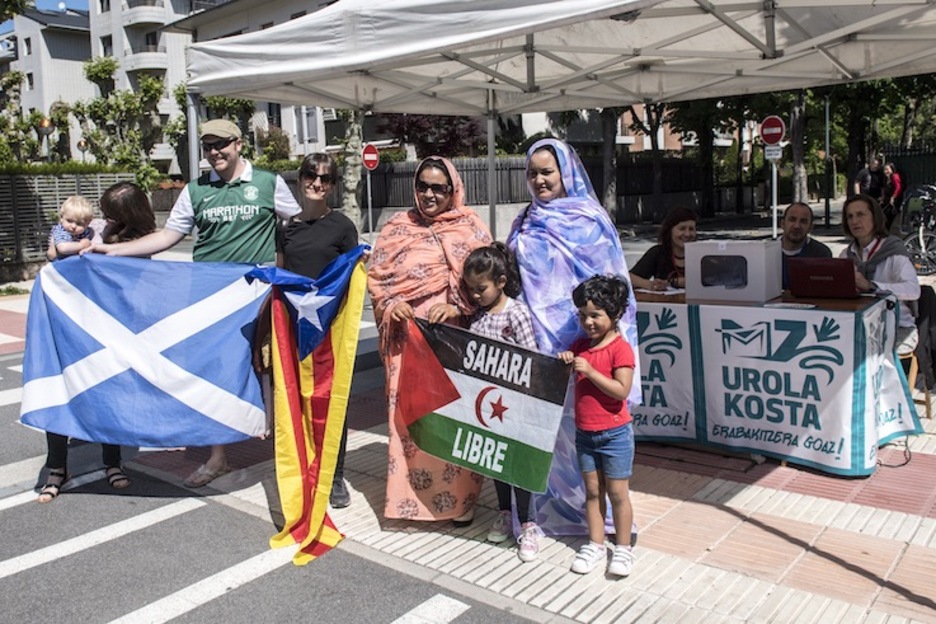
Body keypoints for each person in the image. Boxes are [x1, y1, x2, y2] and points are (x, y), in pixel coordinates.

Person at [87, 118, 301, 488]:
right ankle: (218, 457)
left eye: (222, 144)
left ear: (238, 144)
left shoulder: (268, 182)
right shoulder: (196, 189)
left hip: (259, 297)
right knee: (212, 375)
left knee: (272, 368)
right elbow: (168, 236)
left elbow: (297, 226)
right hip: (209, 300)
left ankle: (287, 449)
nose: (215, 152)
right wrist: (113, 250)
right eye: (208, 146)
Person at [506, 138, 641, 536]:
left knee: (588, 427)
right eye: (532, 173)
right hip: (537, 348)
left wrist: (608, 345)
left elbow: (613, 287)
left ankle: (600, 518)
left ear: (565, 172)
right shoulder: (525, 220)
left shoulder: (590, 220)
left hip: (585, 346)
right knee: (545, 435)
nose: (539, 180)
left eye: (547, 172)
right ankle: (544, 513)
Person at [367, 156, 492, 524]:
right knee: (410, 421)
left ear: (453, 190)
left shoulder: (471, 228)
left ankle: (460, 503)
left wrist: (457, 308)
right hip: (406, 344)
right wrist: (393, 305)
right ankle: (411, 500)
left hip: (454, 344)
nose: (429, 194)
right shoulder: (397, 228)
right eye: (423, 186)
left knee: (455, 420)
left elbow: (489, 284)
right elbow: (378, 281)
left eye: (439, 188)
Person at [37, 182, 157, 502]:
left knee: (108, 393)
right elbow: (56, 252)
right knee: (60, 389)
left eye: (111, 213)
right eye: (104, 212)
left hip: (113, 325)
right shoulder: (94, 229)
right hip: (72, 318)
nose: (104, 218)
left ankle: (112, 463)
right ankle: (57, 467)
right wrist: (56, 249)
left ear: (129, 216)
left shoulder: (144, 240)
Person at [266, 152, 359, 508]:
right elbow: (280, 278)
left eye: (325, 178)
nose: (317, 183)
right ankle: (304, 466)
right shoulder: (285, 228)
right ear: (300, 179)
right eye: (311, 175)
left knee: (333, 403)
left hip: (330, 332)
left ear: (333, 186)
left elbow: (353, 279)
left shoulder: (343, 227)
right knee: (297, 398)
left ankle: (334, 476)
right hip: (294, 331)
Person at [462, 242, 541, 560]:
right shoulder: (478, 317)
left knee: (519, 466)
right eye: (471, 289)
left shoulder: (516, 313)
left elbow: (532, 358)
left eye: (481, 289)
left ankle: (529, 524)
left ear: (501, 282)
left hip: (516, 408)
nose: (475, 295)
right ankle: (505, 513)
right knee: (496, 462)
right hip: (488, 409)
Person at [558, 275, 637, 577]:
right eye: (582, 315)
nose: (587, 322)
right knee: (592, 492)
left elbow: (621, 390)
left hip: (615, 435)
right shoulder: (580, 346)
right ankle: (595, 544)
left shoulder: (621, 349)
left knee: (617, 493)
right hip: (585, 434)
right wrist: (567, 360)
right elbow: (570, 372)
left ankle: (624, 549)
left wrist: (590, 371)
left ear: (615, 314)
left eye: (595, 315)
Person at [840, 194, 920, 355]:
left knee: (865, 355)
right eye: (850, 216)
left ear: (875, 218)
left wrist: (872, 286)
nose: (854, 221)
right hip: (857, 325)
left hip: (897, 326)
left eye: (860, 214)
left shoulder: (893, 251)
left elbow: (913, 290)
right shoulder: (846, 255)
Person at [629, 207, 698, 291]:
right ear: (670, 230)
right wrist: (650, 284)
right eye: (682, 229)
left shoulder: (701, 255)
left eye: (691, 229)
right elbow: (629, 277)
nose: (687, 234)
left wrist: (676, 282)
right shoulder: (658, 253)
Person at [779, 202, 831, 289]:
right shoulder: (767, 251)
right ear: (782, 224)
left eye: (803, 221)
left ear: (810, 228)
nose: (797, 226)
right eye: (792, 219)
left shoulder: (821, 253)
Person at [882, 162, 904, 234]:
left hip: (894, 201)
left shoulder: (894, 176)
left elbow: (898, 188)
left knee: (889, 217)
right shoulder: (886, 179)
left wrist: (893, 197)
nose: (886, 171)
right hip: (887, 200)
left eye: (887, 169)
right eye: (884, 170)